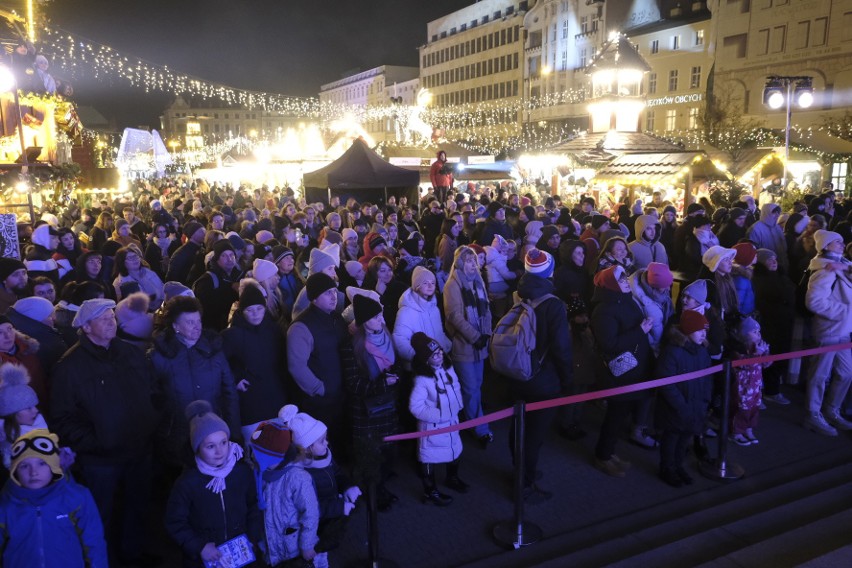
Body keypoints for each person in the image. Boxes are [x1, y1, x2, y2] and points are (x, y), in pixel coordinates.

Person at [49, 298, 159, 566]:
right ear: (86, 328)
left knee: (137, 506)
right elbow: (62, 418)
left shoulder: (130, 352)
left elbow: (153, 390)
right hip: (101, 460)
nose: (112, 323)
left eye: (112, 317)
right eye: (104, 319)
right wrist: (99, 441)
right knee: (103, 514)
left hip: (139, 448)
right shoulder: (70, 366)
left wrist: (152, 422)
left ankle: (134, 554)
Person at [509, 249, 573, 502]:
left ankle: (521, 472)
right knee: (534, 434)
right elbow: (561, 347)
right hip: (542, 378)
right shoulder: (553, 305)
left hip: (515, 370)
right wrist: (567, 378)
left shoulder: (519, 294)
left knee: (518, 427)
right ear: (549, 272)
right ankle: (524, 483)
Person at [165, 400, 261, 568]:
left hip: (240, 554)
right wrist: (199, 546)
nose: (220, 451)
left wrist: (252, 537)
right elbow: (175, 521)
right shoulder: (187, 482)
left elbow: (254, 505)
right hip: (203, 559)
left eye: (224, 442)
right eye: (210, 446)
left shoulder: (242, 472)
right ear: (197, 448)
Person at [149, 295, 240, 466]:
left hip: (213, 433)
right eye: (190, 322)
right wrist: (163, 429)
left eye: (198, 321)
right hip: (177, 434)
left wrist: (233, 430)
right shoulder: (160, 357)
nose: (197, 327)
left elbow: (229, 392)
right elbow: (152, 397)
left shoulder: (213, 351)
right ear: (176, 326)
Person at [0, 429, 107, 567]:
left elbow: (94, 543)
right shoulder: (5, 503)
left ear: (54, 466)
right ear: (14, 472)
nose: (33, 472)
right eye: (24, 466)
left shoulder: (77, 497)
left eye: (42, 463)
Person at [590, 266, 654, 478]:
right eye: (621, 279)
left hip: (634, 366)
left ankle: (608, 452)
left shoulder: (625, 299)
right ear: (611, 285)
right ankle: (603, 456)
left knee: (620, 414)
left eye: (625, 278)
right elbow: (609, 344)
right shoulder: (604, 310)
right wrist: (640, 331)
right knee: (615, 415)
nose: (627, 281)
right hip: (621, 371)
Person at [286, 273, 355, 454]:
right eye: (327, 293)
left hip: (340, 393)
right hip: (319, 401)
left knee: (340, 441)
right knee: (323, 446)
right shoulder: (301, 326)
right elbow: (297, 366)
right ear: (314, 297)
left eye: (334, 291)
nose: (334, 297)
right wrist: (319, 388)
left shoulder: (336, 318)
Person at [349, 294, 400, 511]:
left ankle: (381, 484)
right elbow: (354, 383)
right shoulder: (353, 346)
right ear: (364, 321)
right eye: (376, 316)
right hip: (367, 410)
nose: (382, 319)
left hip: (387, 404)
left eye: (380, 314)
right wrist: (382, 384)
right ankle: (374, 494)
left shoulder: (386, 336)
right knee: (371, 453)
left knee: (386, 448)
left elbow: (394, 363)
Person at [288, 408, 360, 564]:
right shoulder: (302, 476)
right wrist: (339, 507)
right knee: (316, 556)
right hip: (314, 527)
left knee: (325, 550)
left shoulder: (324, 454)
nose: (327, 443)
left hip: (330, 516)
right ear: (307, 448)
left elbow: (337, 473)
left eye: (325, 439)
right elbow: (311, 509)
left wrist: (347, 487)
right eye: (321, 441)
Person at [249, 417, 321, 568]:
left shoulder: (297, 478)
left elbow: (311, 513)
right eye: (254, 453)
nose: (254, 458)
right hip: (269, 547)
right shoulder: (259, 472)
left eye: (261, 456)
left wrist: (307, 544)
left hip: (293, 550)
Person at [222, 283, 288, 444]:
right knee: (255, 441)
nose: (255, 314)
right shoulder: (232, 335)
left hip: (275, 393)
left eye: (259, 309)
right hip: (251, 397)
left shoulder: (273, 330)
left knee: (277, 441)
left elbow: (282, 360)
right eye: (250, 310)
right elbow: (221, 363)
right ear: (241, 311)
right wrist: (236, 378)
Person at [654, 310, 713, 487]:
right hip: (676, 407)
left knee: (684, 440)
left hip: (695, 406)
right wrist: (680, 405)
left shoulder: (702, 352)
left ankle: (678, 466)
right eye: (699, 330)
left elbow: (707, 378)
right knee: (671, 439)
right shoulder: (673, 352)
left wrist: (705, 400)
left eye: (705, 330)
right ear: (688, 331)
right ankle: (667, 468)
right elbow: (666, 382)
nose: (703, 333)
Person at [802, 230, 852, 436]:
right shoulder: (825, 269)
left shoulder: (840, 265)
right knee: (820, 374)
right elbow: (814, 301)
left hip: (843, 329)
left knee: (846, 372)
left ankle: (831, 409)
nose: (842, 244)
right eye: (837, 242)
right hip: (830, 330)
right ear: (826, 246)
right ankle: (813, 413)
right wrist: (843, 311)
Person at [443, 246, 494, 448]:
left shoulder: (478, 281)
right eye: (469, 261)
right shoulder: (453, 285)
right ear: (460, 263)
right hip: (464, 344)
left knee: (477, 385)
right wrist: (475, 336)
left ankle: (469, 417)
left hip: (480, 344)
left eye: (475, 261)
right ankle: (480, 429)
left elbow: (487, 309)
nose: (473, 265)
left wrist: (486, 333)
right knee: (471, 388)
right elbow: (454, 316)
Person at [409, 332, 465, 506]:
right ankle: (430, 490)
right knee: (428, 457)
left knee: (455, 449)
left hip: (451, 422)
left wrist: (457, 407)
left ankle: (452, 478)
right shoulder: (422, 380)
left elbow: (455, 386)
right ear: (426, 359)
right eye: (434, 354)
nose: (440, 355)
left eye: (440, 350)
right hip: (432, 427)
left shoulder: (447, 368)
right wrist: (440, 416)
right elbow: (415, 407)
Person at [752, 249, 795, 404]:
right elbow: (761, 303)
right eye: (769, 260)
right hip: (769, 324)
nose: (774, 262)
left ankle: (773, 390)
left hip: (784, 323)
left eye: (775, 258)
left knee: (780, 356)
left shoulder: (782, 276)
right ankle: (763, 391)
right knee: (767, 357)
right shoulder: (759, 279)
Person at [192, 240, 242, 331]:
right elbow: (205, 309)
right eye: (224, 256)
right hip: (215, 329)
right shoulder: (207, 280)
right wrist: (231, 290)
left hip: (235, 328)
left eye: (231, 255)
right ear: (217, 259)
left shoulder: (240, 276)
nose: (229, 259)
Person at [747, 203, 788, 271]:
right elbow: (753, 251)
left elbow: (783, 247)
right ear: (766, 213)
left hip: (780, 266)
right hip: (765, 268)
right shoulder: (755, 229)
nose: (777, 215)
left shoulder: (777, 227)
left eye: (778, 213)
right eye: (774, 213)